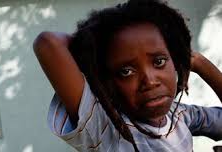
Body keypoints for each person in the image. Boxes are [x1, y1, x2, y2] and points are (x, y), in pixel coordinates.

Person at [33, 0, 222, 151]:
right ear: (107, 82)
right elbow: (48, 43)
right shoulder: (106, 128)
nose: (149, 81)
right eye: (126, 72)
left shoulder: (181, 115)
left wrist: (198, 62)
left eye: (159, 62)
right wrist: (93, 44)